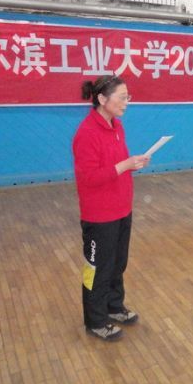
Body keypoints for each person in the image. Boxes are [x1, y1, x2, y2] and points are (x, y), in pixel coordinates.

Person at [72, 75, 150, 341]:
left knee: (117, 263)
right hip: (99, 215)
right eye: (122, 97)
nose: (126, 103)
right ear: (102, 99)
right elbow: (89, 177)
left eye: (128, 97)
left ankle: (114, 307)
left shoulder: (117, 126)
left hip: (121, 209)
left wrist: (133, 164)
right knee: (97, 270)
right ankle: (95, 321)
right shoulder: (86, 133)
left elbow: (116, 166)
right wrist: (124, 165)